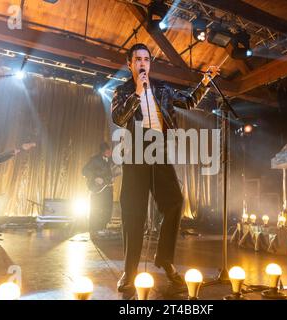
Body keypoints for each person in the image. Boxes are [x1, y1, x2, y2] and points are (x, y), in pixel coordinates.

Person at [111, 42, 219, 292]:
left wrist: (205, 82)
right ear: (130, 64)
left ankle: (165, 260)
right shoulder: (122, 90)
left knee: (175, 202)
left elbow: (190, 102)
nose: (142, 63)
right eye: (137, 59)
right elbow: (118, 118)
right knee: (133, 211)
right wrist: (137, 92)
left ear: (150, 63)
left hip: (158, 149)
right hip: (135, 151)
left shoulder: (163, 90)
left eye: (146, 60)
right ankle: (130, 271)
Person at [82, 142, 114, 238]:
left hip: (107, 187)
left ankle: (103, 227)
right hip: (97, 188)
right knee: (96, 207)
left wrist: (112, 176)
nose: (109, 153)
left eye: (110, 151)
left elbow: (113, 171)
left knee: (107, 207)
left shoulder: (111, 160)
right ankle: (94, 229)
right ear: (103, 151)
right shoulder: (95, 159)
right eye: (108, 151)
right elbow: (84, 171)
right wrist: (95, 178)